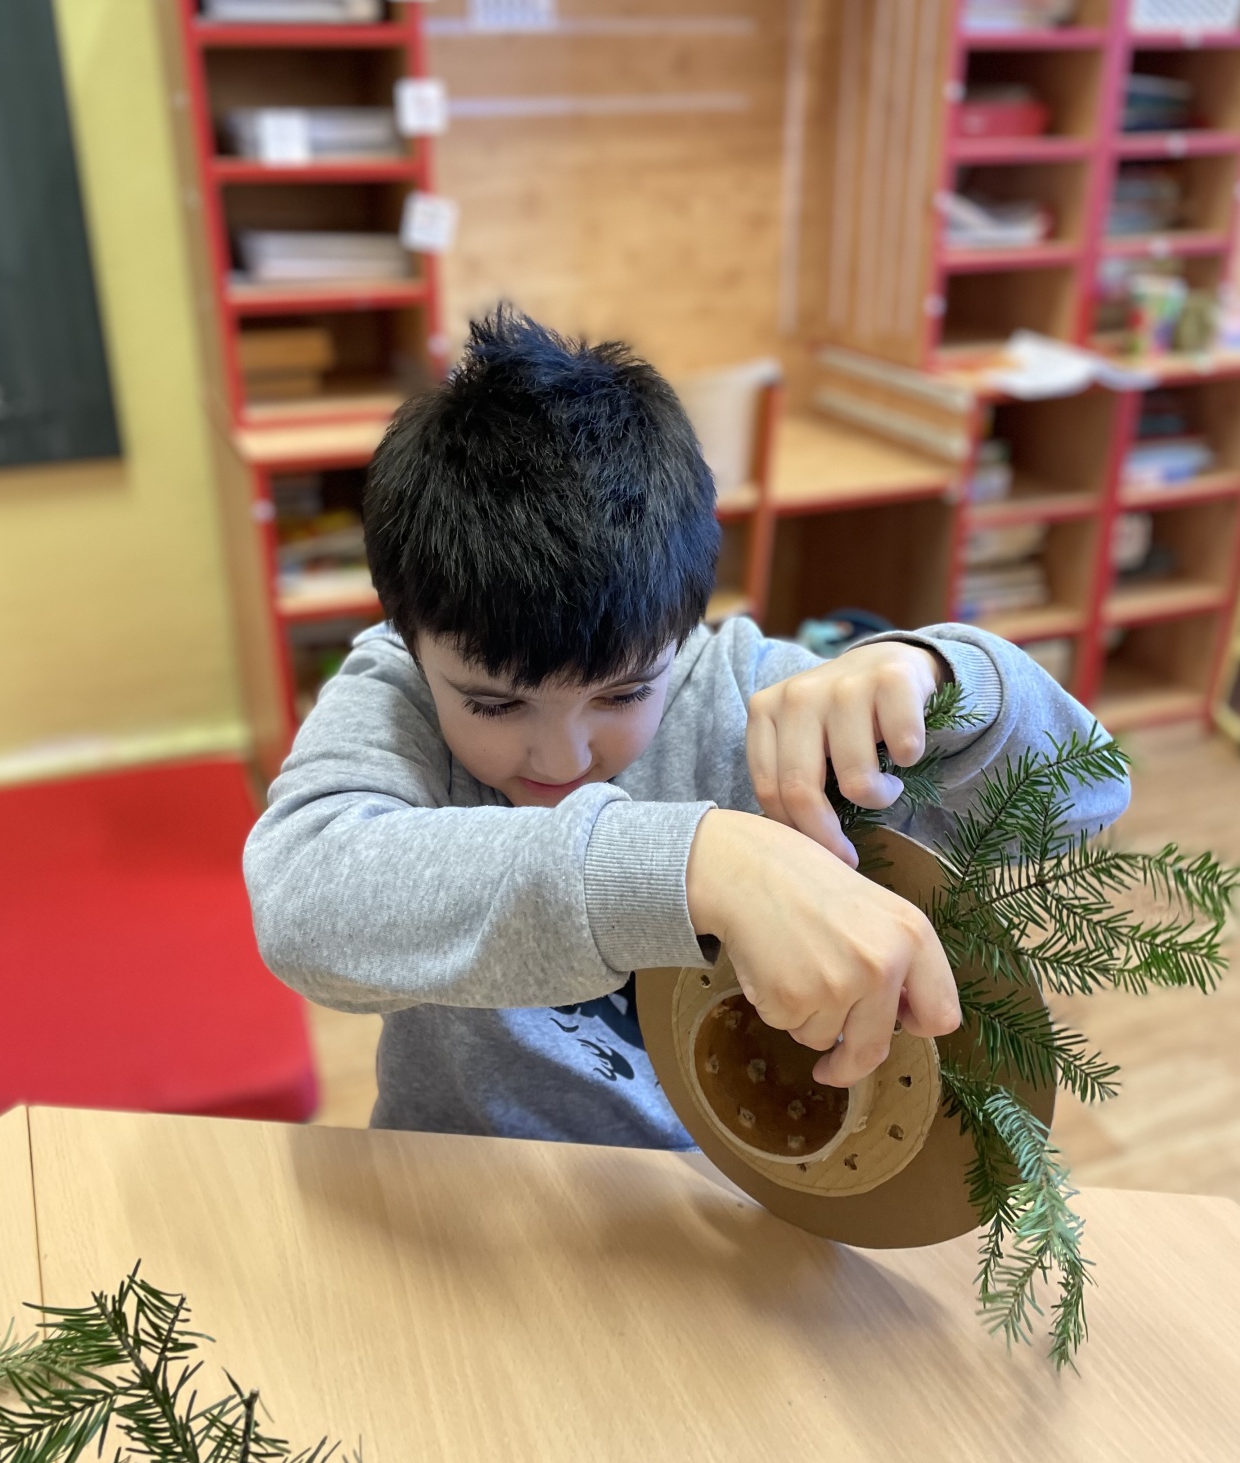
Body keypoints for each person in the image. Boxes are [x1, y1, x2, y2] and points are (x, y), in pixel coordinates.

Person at [244, 309, 1128, 1149]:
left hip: (708, 1195)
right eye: (495, 705)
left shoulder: (748, 693)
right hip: (456, 1181)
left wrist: (947, 677)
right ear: (407, 634)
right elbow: (302, 903)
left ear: (683, 624)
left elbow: (1084, 799)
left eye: (624, 693)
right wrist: (695, 864)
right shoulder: (396, 689)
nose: (564, 755)